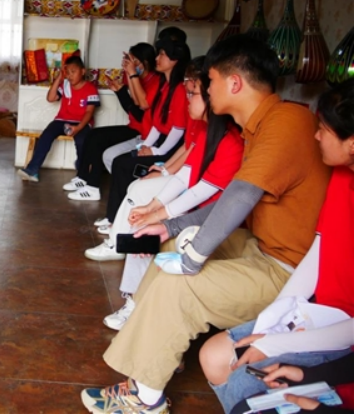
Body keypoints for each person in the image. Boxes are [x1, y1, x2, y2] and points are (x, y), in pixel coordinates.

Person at [81, 35, 330, 414]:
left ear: (234, 83)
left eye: (209, 81)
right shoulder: (259, 126)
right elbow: (229, 202)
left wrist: (193, 258)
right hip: (258, 246)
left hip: (288, 272)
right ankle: (158, 349)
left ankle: (146, 399)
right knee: (173, 242)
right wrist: (171, 227)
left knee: (180, 283)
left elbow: (240, 195)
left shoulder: (287, 121)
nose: (206, 89)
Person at [199, 78, 354, 414]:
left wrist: (278, 342)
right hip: (316, 310)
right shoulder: (343, 175)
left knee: (245, 381)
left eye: (324, 129)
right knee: (214, 355)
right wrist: (273, 319)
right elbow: (320, 248)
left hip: (343, 330)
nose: (316, 136)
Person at [87, 57, 243, 333]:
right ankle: (132, 299)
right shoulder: (208, 134)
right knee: (141, 227)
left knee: (146, 231)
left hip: (206, 220)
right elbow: (185, 176)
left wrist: (159, 214)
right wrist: (152, 207)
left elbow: (200, 193)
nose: (187, 99)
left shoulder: (230, 142)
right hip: (190, 212)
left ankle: (137, 304)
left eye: (193, 93)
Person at [75, 27, 190, 229]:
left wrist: (155, 151)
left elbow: (176, 129)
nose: (158, 58)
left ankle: (116, 220)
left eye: (162, 54)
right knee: (111, 154)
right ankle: (110, 212)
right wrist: (144, 147)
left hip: (167, 147)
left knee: (120, 163)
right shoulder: (165, 86)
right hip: (153, 140)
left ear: (175, 59)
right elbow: (155, 122)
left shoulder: (178, 88)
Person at [62, 43, 158, 203]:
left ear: (145, 62)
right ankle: (83, 178)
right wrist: (120, 91)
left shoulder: (154, 81)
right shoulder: (137, 77)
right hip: (134, 126)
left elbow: (140, 111)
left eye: (133, 60)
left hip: (143, 131)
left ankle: (92, 188)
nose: (130, 64)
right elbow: (132, 110)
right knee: (93, 135)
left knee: (98, 140)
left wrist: (125, 86)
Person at [17, 55, 100, 183]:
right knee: (46, 136)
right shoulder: (65, 85)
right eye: (68, 72)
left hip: (82, 122)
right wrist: (59, 78)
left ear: (83, 71)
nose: (70, 76)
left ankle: (82, 174)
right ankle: (32, 170)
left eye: (73, 72)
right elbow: (50, 98)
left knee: (82, 141)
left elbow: (89, 112)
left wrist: (78, 128)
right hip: (62, 120)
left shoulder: (90, 89)